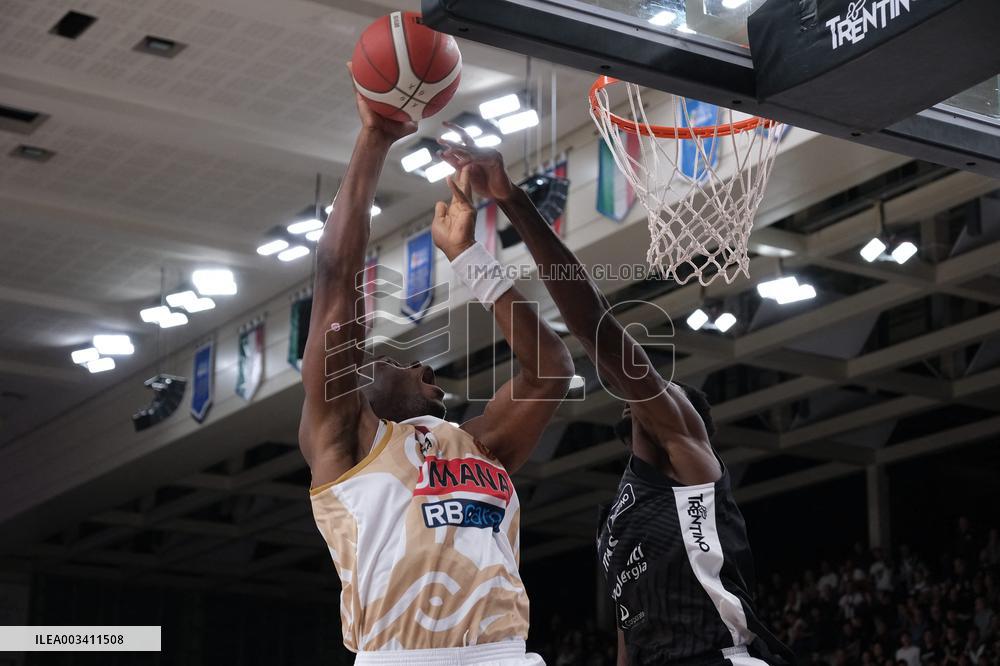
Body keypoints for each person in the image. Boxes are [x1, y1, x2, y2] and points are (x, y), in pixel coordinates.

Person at [437, 127, 793, 666]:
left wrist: (514, 202)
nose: (654, 394)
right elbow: (631, 624)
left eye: (667, 395)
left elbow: (593, 327)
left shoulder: (692, 464)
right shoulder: (616, 516)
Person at [299, 81, 573, 663]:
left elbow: (551, 371)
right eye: (398, 361)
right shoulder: (347, 442)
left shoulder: (481, 446)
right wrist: (374, 139)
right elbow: (334, 276)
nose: (423, 363)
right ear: (362, 392)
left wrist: (470, 258)